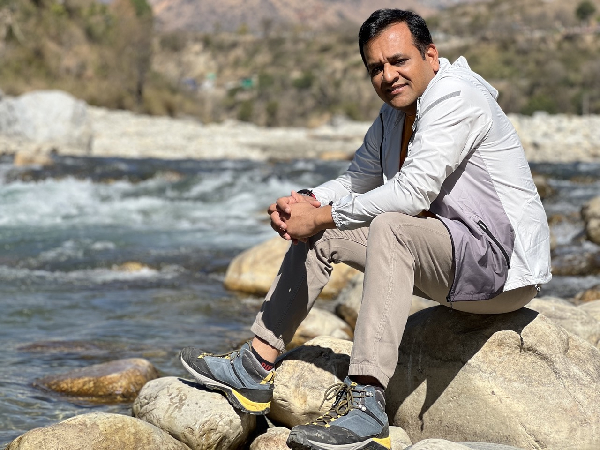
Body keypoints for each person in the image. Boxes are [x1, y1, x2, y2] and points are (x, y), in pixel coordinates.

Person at [180, 8, 552, 450]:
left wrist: (323, 214)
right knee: (324, 232)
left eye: (399, 61)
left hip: (501, 269)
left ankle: (367, 405)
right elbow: (356, 181)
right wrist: (305, 202)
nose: (388, 75)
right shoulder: (393, 115)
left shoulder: (457, 98)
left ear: (431, 55)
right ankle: (254, 368)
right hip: (449, 256)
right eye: (376, 68)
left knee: (389, 226)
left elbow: (412, 193)